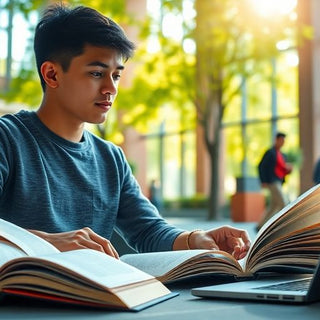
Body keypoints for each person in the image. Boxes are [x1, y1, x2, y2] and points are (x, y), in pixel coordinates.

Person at [0, 4, 250, 261]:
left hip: (96, 297)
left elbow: (148, 230)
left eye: (116, 76)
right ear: (52, 74)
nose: (111, 88)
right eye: (97, 73)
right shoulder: (7, 140)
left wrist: (195, 239)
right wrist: (49, 243)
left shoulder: (111, 159)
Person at [257, 132, 292, 230]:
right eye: (281, 140)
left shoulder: (282, 155)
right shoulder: (270, 153)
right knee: (283, 203)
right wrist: (263, 180)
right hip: (272, 182)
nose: (282, 143)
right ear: (276, 140)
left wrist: (288, 170)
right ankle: (280, 226)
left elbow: (282, 170)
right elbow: (261, 166)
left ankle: (260, 226)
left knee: (274, 205)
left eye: (284, 141)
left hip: (279, 181)